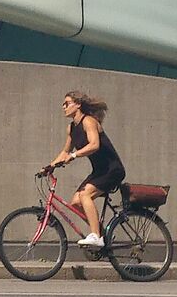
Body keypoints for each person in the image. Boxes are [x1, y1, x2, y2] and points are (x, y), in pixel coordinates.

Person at [44, 90, 125, 248]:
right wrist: (50, 166)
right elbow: (65, 152)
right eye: (63, 104)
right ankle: (102, 236)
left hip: (112, 170)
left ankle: (96, 236)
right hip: (99, 171)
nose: (63, 107)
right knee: (75, 202)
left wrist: (74, 156)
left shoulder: (89, 121)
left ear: (78, 105)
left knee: (85, 195)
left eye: (67, 103)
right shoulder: (71, 128)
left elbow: (94, 145)